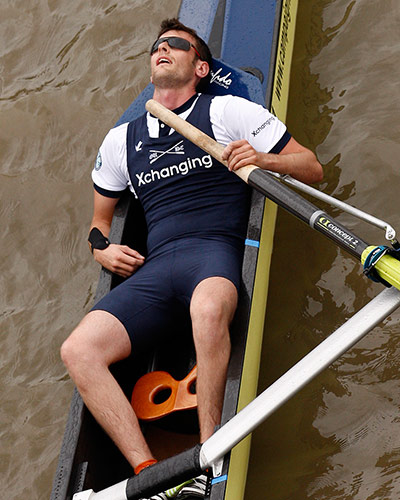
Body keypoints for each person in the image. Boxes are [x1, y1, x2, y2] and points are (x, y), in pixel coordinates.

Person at [61, 18, 323, 498]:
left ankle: (208, 458)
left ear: (200, 67)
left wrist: (264, 160)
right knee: (78, 350)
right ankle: (148, 475)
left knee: (206, 311)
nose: (162, 49)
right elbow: (99, 224)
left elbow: (312, 168)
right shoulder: (121, 141)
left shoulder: (227, 112)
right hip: (156, 272)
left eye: (175, 45)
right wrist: (103, 250)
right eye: (157, 45)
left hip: (215, 258)